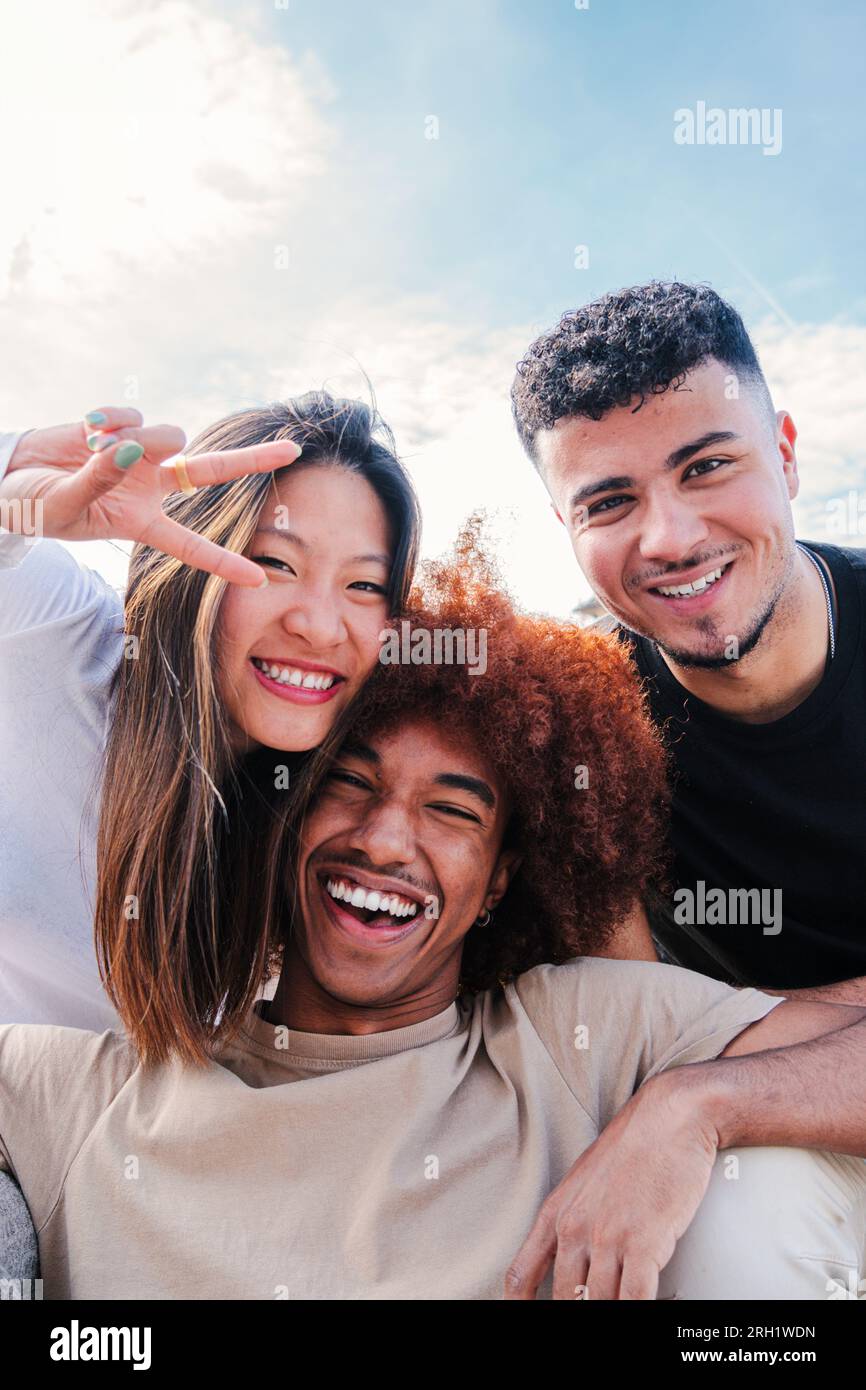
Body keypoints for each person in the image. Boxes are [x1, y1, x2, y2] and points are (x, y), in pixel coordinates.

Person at [1, 537, 865, 1300]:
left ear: (500, 882)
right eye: (348, 783)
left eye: (454, 812)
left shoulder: (579, 1037)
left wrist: (696, 1105)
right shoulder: (80, 1095)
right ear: (283, 811)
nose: (384, 841)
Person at [0, 395, 420, 1035]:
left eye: (364, 585)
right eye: (275, 564)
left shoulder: (334, 823)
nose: (318, 625)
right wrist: (11, 475)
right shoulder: (68, 636)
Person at [511, 280, 866, 999]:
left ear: (786, 456)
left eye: (705, 468)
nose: (671, 540)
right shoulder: (580, 728)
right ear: (566, 528)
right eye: (610, 503)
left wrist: (708, 1088)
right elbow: (639, 1026)